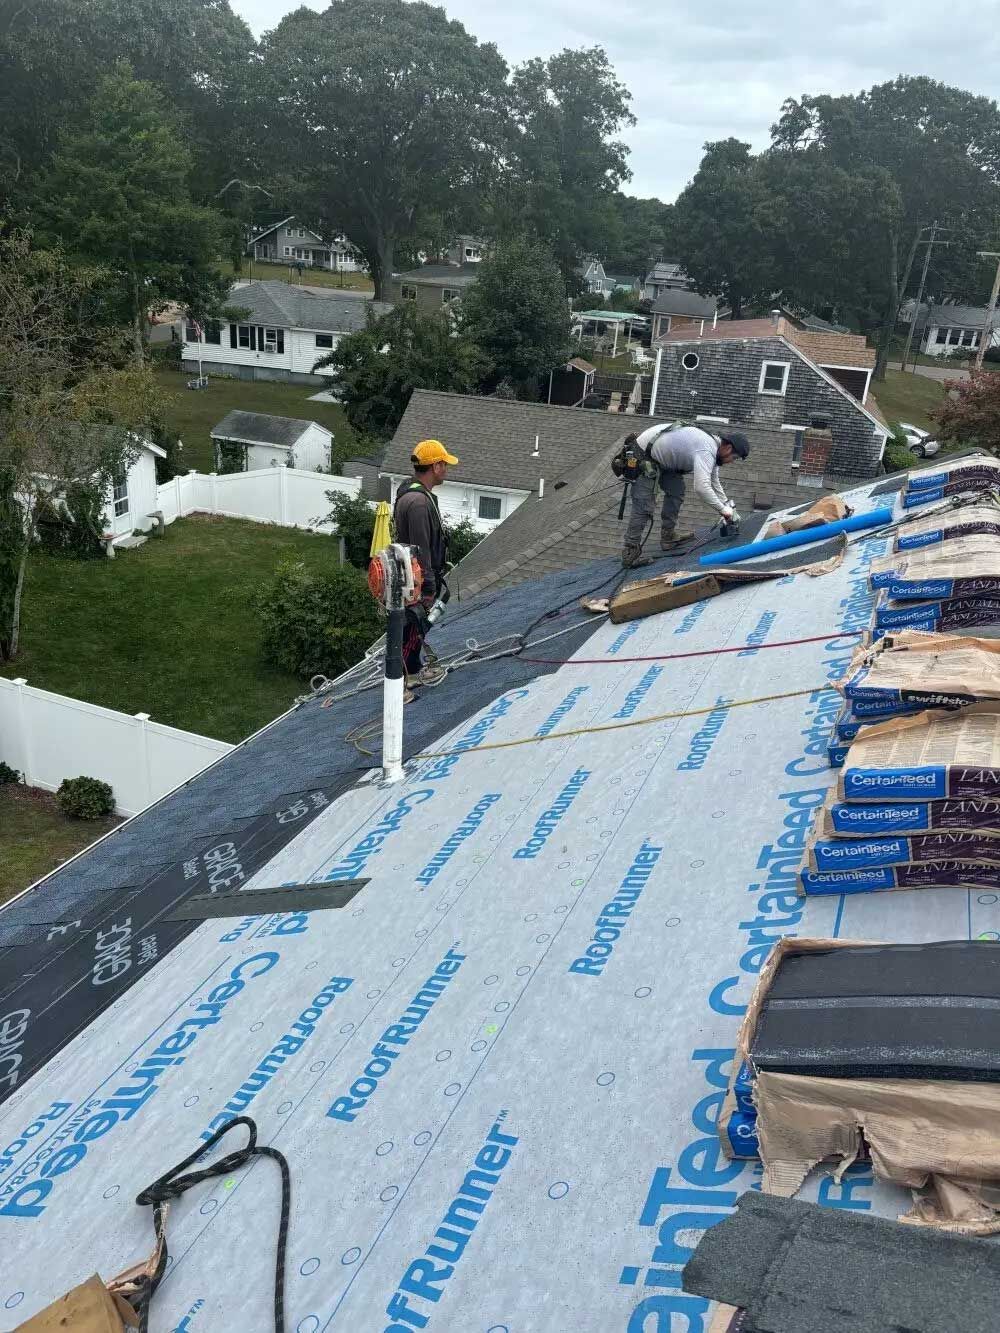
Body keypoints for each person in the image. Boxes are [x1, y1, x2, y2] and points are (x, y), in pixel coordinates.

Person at [621, 422, 750, 567]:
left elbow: (714, 481)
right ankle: (630, 553)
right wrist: (723, 511)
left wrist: (727, 504)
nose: (732, 462)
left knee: (677, 491)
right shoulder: (707, 450)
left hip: (663, 460)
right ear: (728, 448)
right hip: (643, 455)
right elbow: (701, 488)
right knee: (644, 506)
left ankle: (668, 537)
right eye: (734, 458)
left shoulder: (714, 449)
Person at [393, 438, 458, 681]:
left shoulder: (410, 492)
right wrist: (429, 588)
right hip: (417, 581)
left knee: (413, 628)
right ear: (435, 466)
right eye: (445, 464)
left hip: (412, 578)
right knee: (414, 627)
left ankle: (410, 669)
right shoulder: (419, 503)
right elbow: (422, 550)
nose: (446, 470)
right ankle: (407, 677)